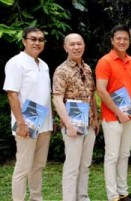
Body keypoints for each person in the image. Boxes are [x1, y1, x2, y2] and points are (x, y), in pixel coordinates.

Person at [3, 26, 53, 201]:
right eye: (33, 39)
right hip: (27, 122)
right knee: (23, 167)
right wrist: (21, 122)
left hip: (45, 123)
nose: (37, 43)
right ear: (24, 41)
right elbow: (12, 93)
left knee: (38, 165)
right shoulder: (16, 63)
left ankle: (36, 198)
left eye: (40, 39)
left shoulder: (44, 65)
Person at [95, 25, 131, 201]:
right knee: (112, 156)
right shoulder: (104, 61)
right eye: (118, 38)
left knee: (124, 154)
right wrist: (118, 112)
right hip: (112, 117)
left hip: (129, 115)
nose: (122, 42)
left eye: (125, 39)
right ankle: (113, 195)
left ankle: (123, 192)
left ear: (129, 41)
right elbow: (101, 90)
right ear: (112, 40)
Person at [52, 33, 99, 201]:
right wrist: (69, 125)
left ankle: (83, 197)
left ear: (84, 46)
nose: (76, 47)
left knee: (85, 165)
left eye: (79, 44)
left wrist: (96, 120)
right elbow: (57, 100)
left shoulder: (87, 69)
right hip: (72, 126)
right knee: (72, 167)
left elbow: (92, 96)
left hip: (88, 125)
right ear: (65, 47)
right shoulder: (61, 70)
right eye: (72, 44)